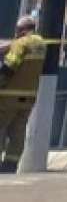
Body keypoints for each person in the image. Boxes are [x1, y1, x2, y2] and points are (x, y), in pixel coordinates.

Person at [0, 16, 45, 172]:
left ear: (22, 30)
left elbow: (9, 66)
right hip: (28, 97)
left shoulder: (21, 43)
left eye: (17, 30)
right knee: (18, 132)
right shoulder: (40, 44)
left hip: (9, 96)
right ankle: (10, 165)